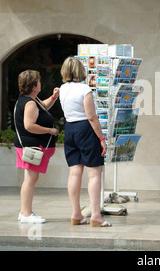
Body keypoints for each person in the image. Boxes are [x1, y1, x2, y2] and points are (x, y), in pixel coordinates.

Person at [59, 57, 110, 227]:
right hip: (85, 129)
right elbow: (91, 117)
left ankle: (76, 214)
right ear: (80, 71)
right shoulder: (84, 89)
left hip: (70, 129)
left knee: (74, 173)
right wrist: (102, 139)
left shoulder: (62, 89)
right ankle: (96, 215)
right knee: (94, 173)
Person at [14, 70, 59, 224]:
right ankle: (26, 214)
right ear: (34, 86)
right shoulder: (30, 103)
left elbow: (44, 106)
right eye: (39, 81)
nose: (41, 83)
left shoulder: (31, 99)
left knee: (30, 178)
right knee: (30, 179)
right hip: (31, 146)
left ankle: (25, 212)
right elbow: (29, 125)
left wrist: (54, 97)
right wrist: (49, 130)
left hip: (30, 146)